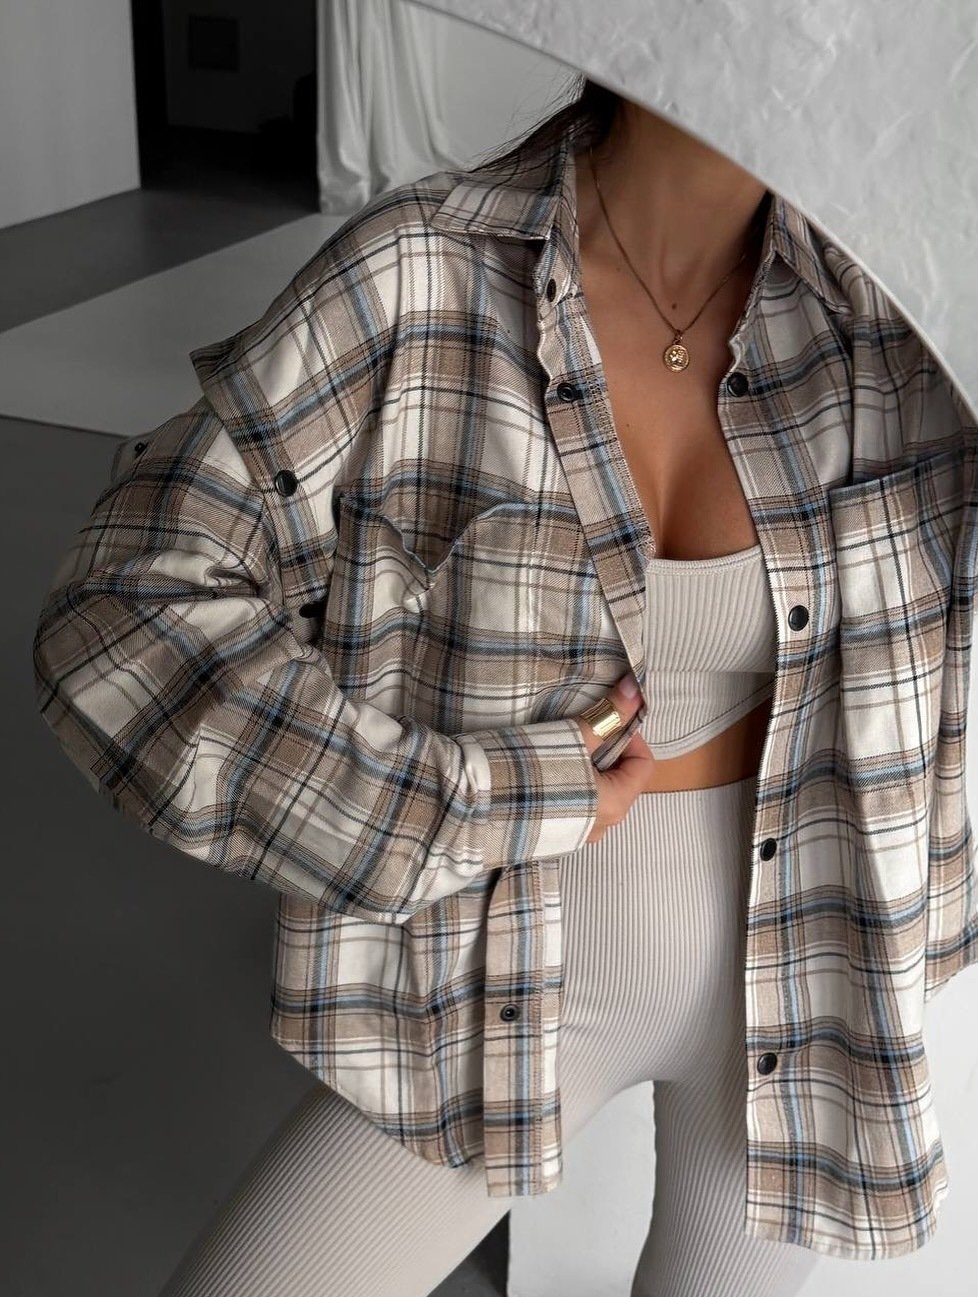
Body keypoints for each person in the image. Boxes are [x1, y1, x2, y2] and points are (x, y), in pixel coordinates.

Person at [32, 72, 978, 1296]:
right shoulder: (418, 271)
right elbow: (120, 616)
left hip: (810, 975)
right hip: (489, 975)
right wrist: (458, 799)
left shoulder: (903, 319)